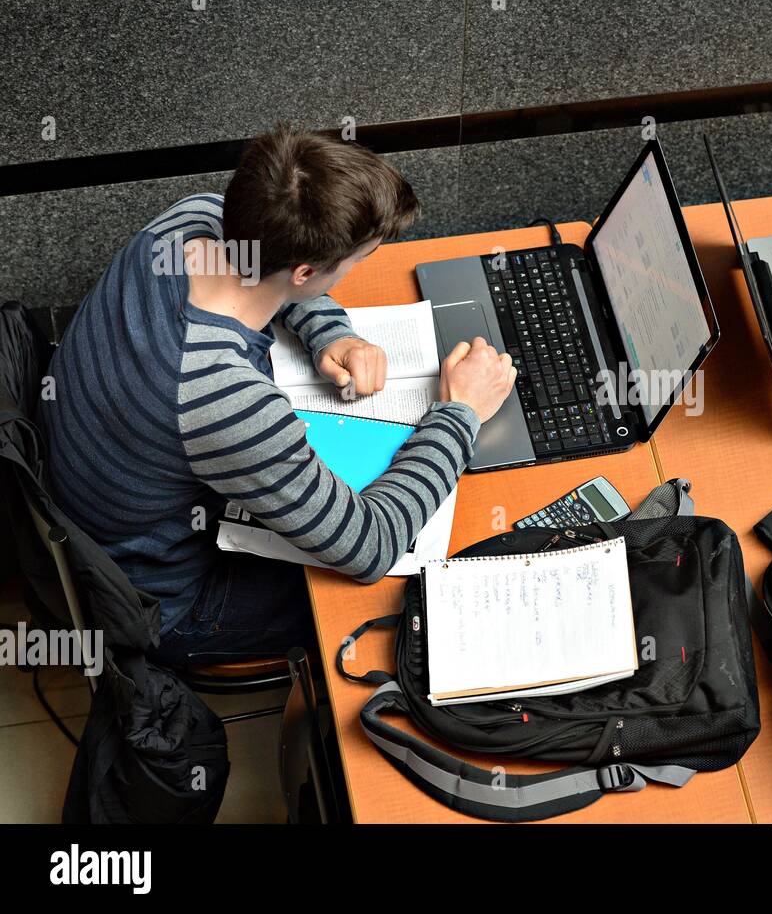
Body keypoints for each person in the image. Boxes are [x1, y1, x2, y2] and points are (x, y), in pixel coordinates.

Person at [39, 126, 517, 663]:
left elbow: (269, 273)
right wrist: (460, 412)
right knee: (401, 599)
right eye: (359, 259)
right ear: (308, 270)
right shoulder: (218, 396)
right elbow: (370, 546)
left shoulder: (188, 221)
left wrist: (331, 331)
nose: (359, 267)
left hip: (85, 511)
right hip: (158, 601)